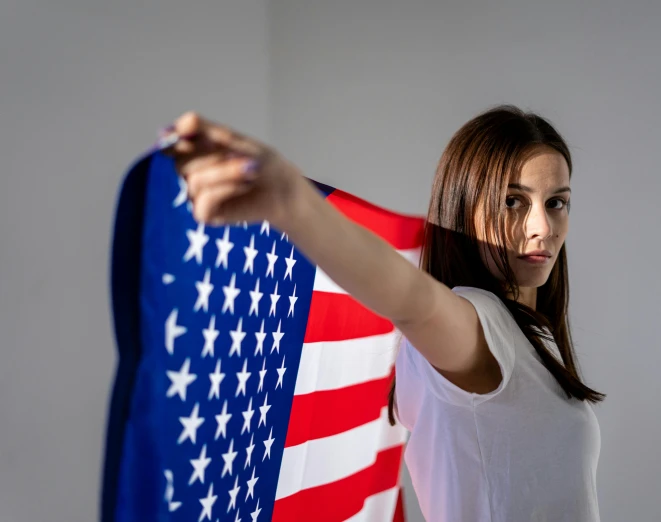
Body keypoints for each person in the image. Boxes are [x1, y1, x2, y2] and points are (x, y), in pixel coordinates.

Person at [163, 104, 605, 522]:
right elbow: (414, 302)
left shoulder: (530, 336)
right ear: (465, 204)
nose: (542, 227)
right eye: (513, 201)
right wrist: (294, 207)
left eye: (556, 202)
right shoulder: (482, 319)